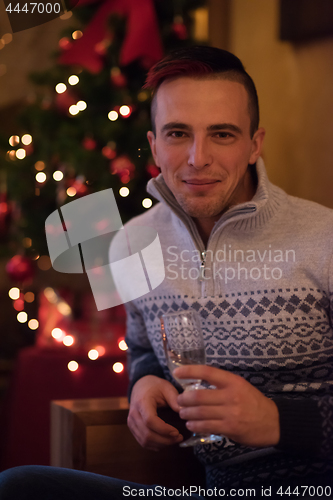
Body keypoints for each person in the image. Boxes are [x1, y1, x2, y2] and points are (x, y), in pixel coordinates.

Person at [0, 46, 332, 499]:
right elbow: (143, 349)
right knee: (20, 487)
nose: (198, 158)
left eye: (222, 134)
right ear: (155, 145)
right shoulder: (130, 243)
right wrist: (143, 383)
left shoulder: (325, 239)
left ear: (255, 144)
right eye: (178, 133)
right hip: (208, 490)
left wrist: (279, 421)